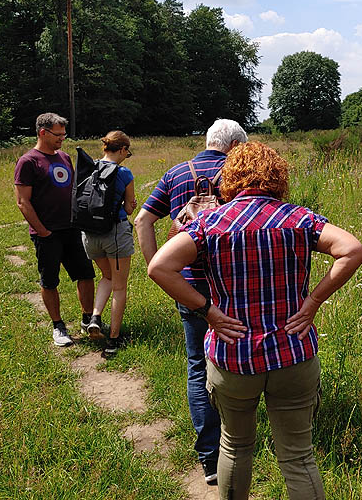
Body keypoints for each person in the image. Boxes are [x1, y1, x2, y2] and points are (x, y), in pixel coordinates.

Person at [148, 142, 362, 500]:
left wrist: (209, 312)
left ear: (229, 179)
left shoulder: (208, 224)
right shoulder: (299, 219)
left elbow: (159, 267)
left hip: (234, 355)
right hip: (293, 353)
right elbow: (353, 250)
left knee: (235, 447)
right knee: (298, 457)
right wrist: (312, 303)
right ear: (278, 178)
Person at [134, 118, 247, 484]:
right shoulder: (241, 175)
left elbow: (142, 221)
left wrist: (157, 267)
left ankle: (211, 458)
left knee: (198, 365)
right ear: (234, 146)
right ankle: (242, 442)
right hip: (233, 285)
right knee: (242, 358)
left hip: (189, 286)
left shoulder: (176, 174)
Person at [14, 113, 96, 347]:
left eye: (64, 134)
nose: (63, 138)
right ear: (43, 132)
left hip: (73, 229)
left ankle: (87, 319)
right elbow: (22, 201)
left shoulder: (64, 157)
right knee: (50, 281)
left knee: (86, 275)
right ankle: (58, 326)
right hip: (47, 233)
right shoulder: (28, 161)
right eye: (58, 134)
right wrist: (42, 231)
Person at [81, 131, 137, 356]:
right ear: (122, 149)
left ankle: (94, 317)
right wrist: (130, 204)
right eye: (127, 152)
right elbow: (129, 208)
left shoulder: (88, 167)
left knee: (107, 276)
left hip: (89, 235)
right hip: (114, 233)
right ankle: (113, 340)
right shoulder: (123, 172)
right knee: (119, 286)